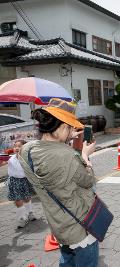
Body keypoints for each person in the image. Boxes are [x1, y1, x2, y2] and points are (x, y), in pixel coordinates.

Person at [18, 98, 99, 266]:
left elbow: (52, 164)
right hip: (80, 225)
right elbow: (88, 181)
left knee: (67, 260)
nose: (72, 131)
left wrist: (66, 141)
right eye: (69, 127)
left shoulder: (26, 150)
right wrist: (84, 156)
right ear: (61, 127)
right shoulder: (68, 155)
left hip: (58, 224)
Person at [7, 140, 37, 229]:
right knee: (17, 200)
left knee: (27, 198)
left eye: (19, 146)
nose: (16, 148)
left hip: (25, 180)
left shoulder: (28, 158)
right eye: (15, 146)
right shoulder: (10, 158)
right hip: (14, 181)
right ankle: (22, 217)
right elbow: (3, 163)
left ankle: (30, 212)